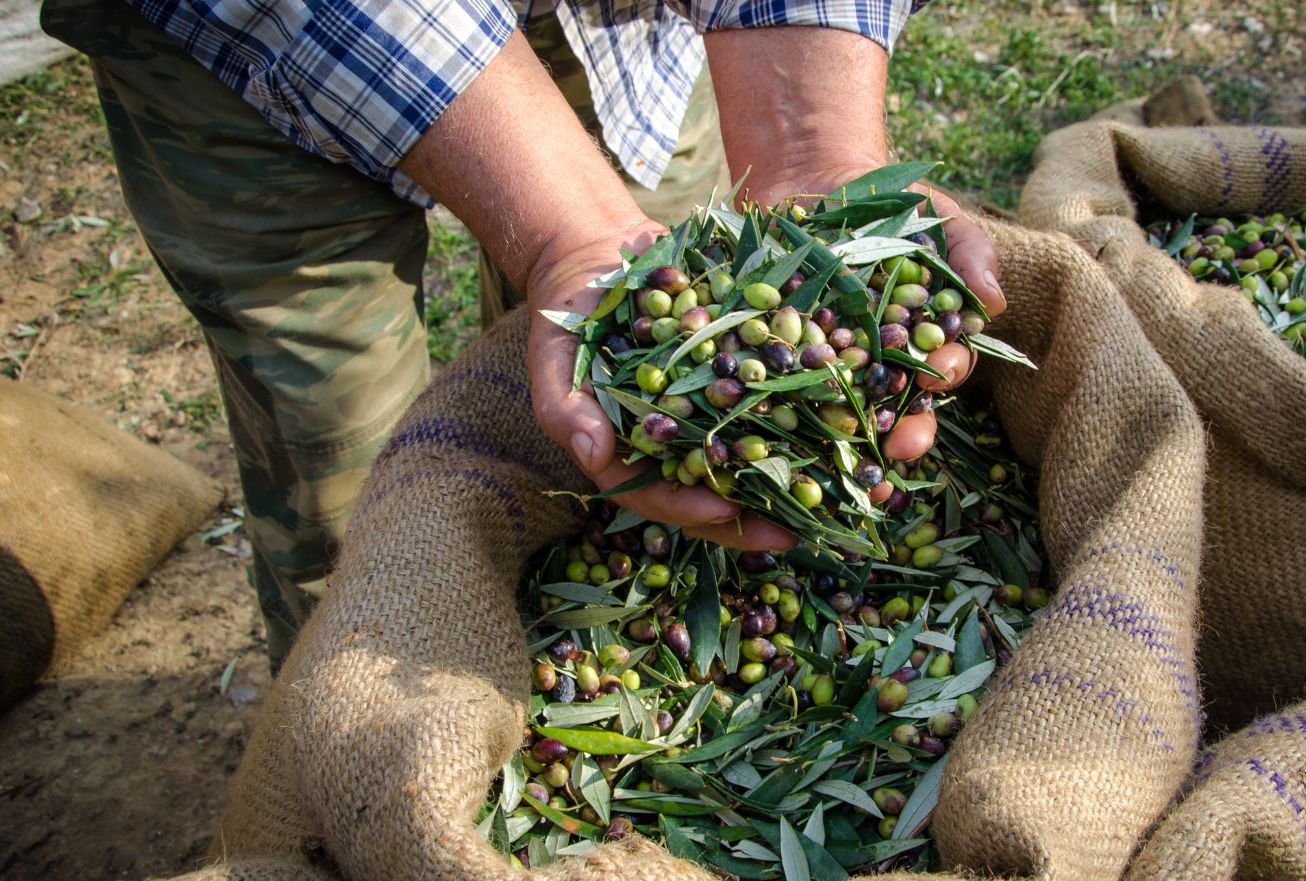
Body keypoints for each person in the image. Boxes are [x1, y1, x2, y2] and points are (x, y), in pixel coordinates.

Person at [40, 0, 1007, 669]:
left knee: (625, 436)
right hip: (242, 45)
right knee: (353, 481)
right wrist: (561, 228)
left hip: (618, 32)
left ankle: (572, 666)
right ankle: (367, 726)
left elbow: (672, 299)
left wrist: (813, 150)